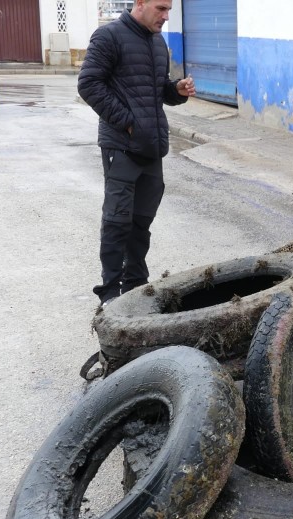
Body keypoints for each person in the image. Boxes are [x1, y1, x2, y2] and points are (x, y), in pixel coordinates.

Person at [78, 0, 196, 307]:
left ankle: (135, 284)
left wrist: (176, 91)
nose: (166, 16)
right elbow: (89, 84)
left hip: (151, 147)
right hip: (122, 145)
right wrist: (128, 123)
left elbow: (155, 91)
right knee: (118, 220)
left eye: (169, 9)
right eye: (161, 8)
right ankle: (109, 292)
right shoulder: (109, 37)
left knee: (141, 220)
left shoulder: (158, 44)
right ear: (140, 4)